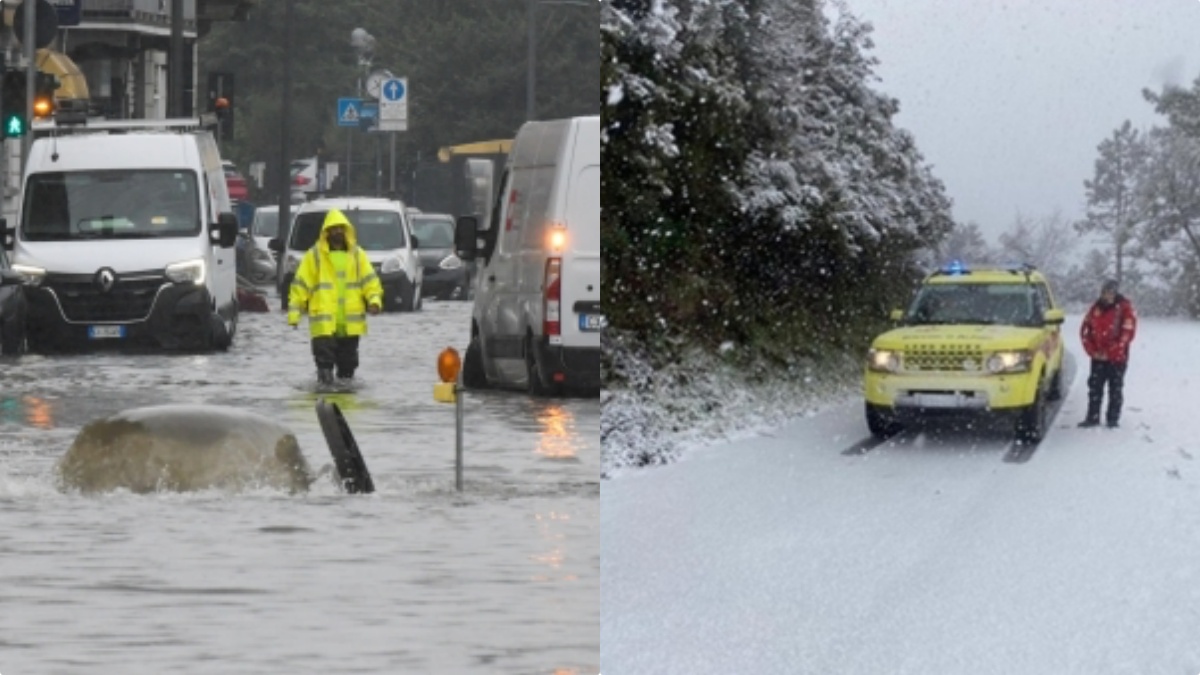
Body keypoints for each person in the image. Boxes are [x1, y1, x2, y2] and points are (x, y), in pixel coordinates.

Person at [287, 209, 383, 384]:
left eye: (340, 228)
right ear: (326, 232)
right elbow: (300, 286)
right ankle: (327, 401)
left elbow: (370, 282)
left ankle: (345, 406)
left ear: (346, 230)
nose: (337, 232)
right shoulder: (314, 256)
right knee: (324, 370)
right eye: (334, 228)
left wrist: (374, 301)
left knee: (348, 371)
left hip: (349, 325)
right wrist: (294, 314)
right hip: (323, 325)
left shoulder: (357, 255)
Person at [1078, 278, 1137, 428]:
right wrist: (1092, 351)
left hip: (1117, 359)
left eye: (1111, 292)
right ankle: (1093, 417)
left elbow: (1127, 334)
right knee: (1094, 388)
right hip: (1097, 357)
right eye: (1105, 292)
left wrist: (1110, 352)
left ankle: (1112, 419)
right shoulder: (1095, 308)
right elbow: (1085, 331)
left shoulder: (1125, 309)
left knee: (1115, 389)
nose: (1108, 296)